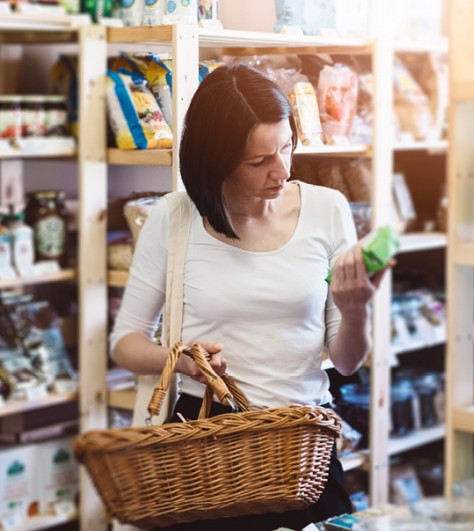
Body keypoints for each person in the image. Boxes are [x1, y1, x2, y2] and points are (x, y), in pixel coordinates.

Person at [109, 63, 389, 530]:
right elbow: (125, 343)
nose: (281, 170)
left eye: (286, 147)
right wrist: (181, 361)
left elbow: (346, 362)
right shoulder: (175, 219)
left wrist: (356, 311)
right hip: (208, 450)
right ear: (214, 161)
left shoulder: (327, 210)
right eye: (259, 161)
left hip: (304, 446)